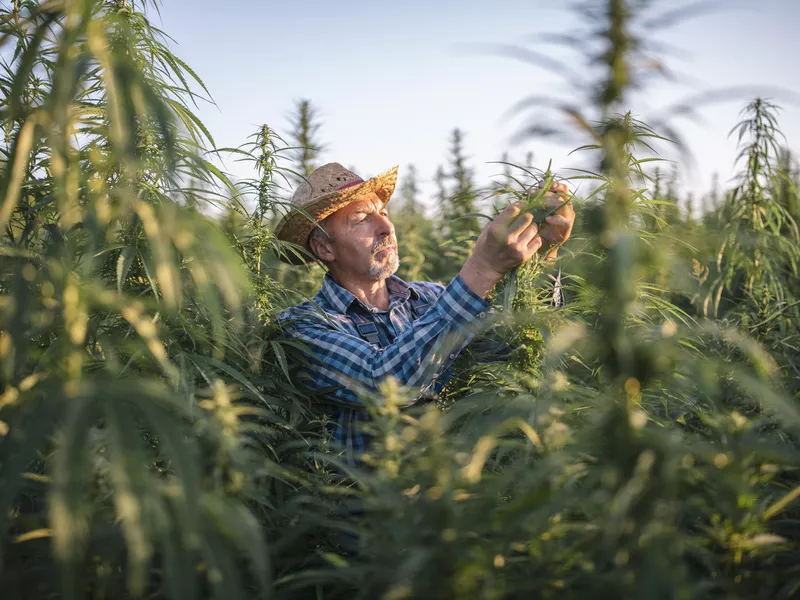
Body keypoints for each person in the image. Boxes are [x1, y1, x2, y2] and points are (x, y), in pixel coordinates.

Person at [276, 163, 575, 464]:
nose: (386, 227)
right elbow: (383, 384)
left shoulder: (431, 298)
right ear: (325, 248)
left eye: (384, 213)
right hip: (374, 504)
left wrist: (542, 255)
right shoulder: (302, 327)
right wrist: (482, 269)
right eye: (362, 219)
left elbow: (512, 348)